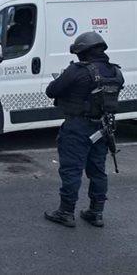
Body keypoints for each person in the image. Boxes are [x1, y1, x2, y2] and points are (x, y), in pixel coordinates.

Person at [43, 32, 124, 228]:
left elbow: (51, 91)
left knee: (72, 169)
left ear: (82, 52)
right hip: (103, 127)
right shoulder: (115, 72)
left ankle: (66, 212)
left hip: (77, 127)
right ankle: (96, 212)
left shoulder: (77, 71)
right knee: (98, 171)